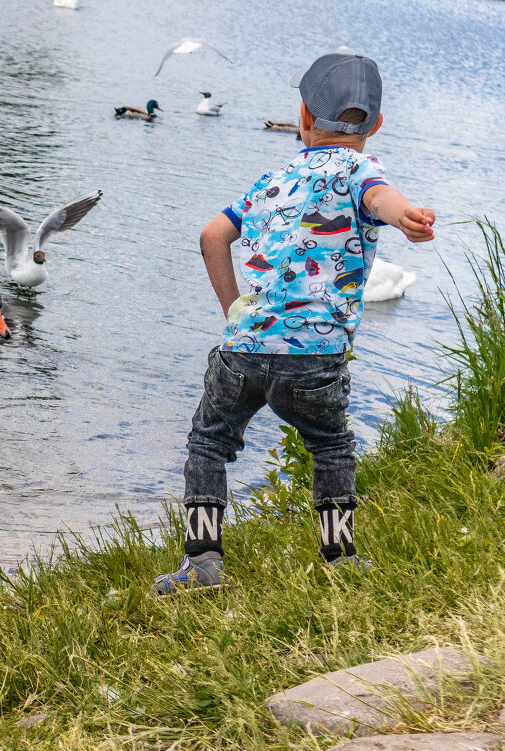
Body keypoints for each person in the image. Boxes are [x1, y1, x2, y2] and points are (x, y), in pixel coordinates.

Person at [154, 52, 436, 594]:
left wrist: (235, 311)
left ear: (303, 115)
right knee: (330, 447)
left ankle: (202, 562)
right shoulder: (361, 169)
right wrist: (404, 217)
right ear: (374, 126)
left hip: (245, 347)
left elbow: (213, 235)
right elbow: (382, 198)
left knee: (209, 443)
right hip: (314, 357)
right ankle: (339, 556)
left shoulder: (271, 180)